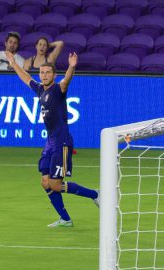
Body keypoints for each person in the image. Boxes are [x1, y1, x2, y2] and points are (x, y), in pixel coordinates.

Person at [5, 52, 99, 228]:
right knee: (45, 182)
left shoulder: (57, 90)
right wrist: (13, 63)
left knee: (55, 185)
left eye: (48, 72)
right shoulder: (40, 89)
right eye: (42, 73)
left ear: (54, 75)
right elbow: (26, 78)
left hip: (62, 141)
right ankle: (65, 219)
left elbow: (66, 81)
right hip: (50, 143)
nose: (44, 75)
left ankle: (95, 194)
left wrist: (71, 67)